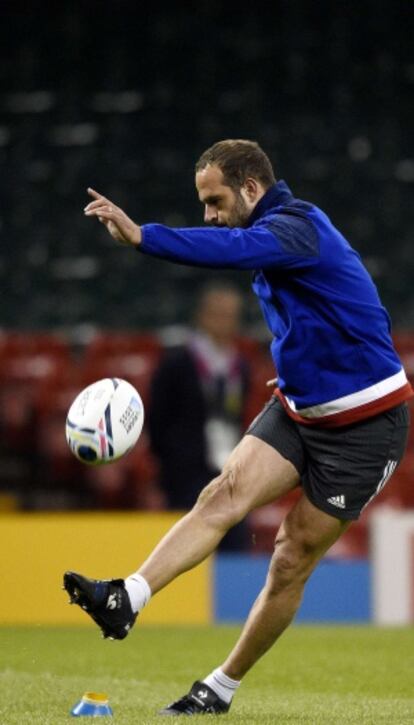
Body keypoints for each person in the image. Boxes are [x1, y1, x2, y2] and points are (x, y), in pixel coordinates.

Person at [64, 139, 412, 716]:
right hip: (302, 408)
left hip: (365, 426)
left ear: (252, 189)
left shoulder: (298, 228)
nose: (209, 213)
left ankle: (220, 686)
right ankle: (127, 596)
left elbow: (231, 246)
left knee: (290, 557)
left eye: (215, 200)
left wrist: (143, 235)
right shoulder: (275, 240)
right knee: (220, 494)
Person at [147, 283, 250, 550]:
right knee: (186, 549)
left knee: (233, 548)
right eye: (217, 314)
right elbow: (158, 422)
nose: (224, 321)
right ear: (202, 316)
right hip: (186, 477)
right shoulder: (177, 363)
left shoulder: (241, 366)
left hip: (230, 474)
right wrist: (174, 465)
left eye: (230, 315)